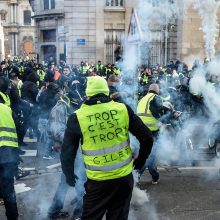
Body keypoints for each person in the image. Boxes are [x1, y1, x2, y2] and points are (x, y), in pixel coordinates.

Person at [61, 76, 153, 220]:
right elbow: (147, 138)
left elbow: (67, 152)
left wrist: (69, 175)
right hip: (124, 179)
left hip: (98, 183)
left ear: (88, 94)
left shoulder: (77, 117)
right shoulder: (122, 109)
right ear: (106, 92)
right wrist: (140, 162)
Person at [137, 83, 162, 184]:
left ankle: (153, 176)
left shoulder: (142, 99)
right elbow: (159, 114)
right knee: (150, 156)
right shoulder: (156, 98)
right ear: (157, 91)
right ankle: (138, 175)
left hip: (141, 131)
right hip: (152, 132)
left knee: (145, 154)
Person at [0, 101, 19, 220]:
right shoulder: (6, 108)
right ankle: (12, 217)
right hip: (9, 154)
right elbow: (18, 126)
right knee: (9, 191)